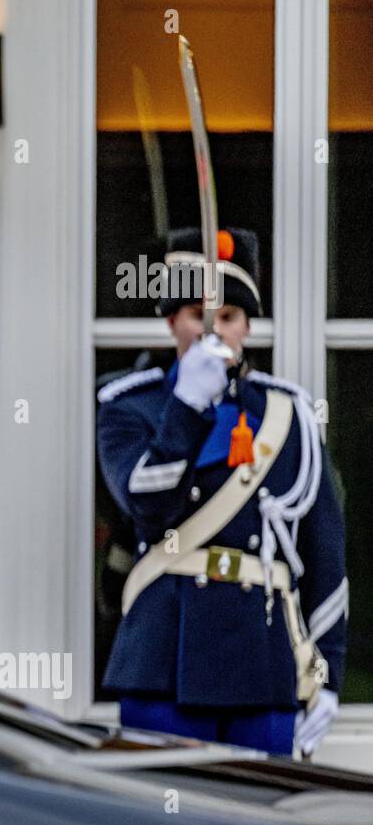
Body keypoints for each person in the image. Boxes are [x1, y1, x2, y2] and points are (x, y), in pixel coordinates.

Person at [97, 226, 348, 757]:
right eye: (197, 315)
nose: (213, 331)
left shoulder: (289, 413)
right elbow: (145, 503)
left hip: (263, 659)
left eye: (227, 317)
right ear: (171, 323)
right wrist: (186, 408)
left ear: (247, 326)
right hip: (164, 658)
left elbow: (323, 548)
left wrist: (326, 671)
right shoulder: (128, 405)